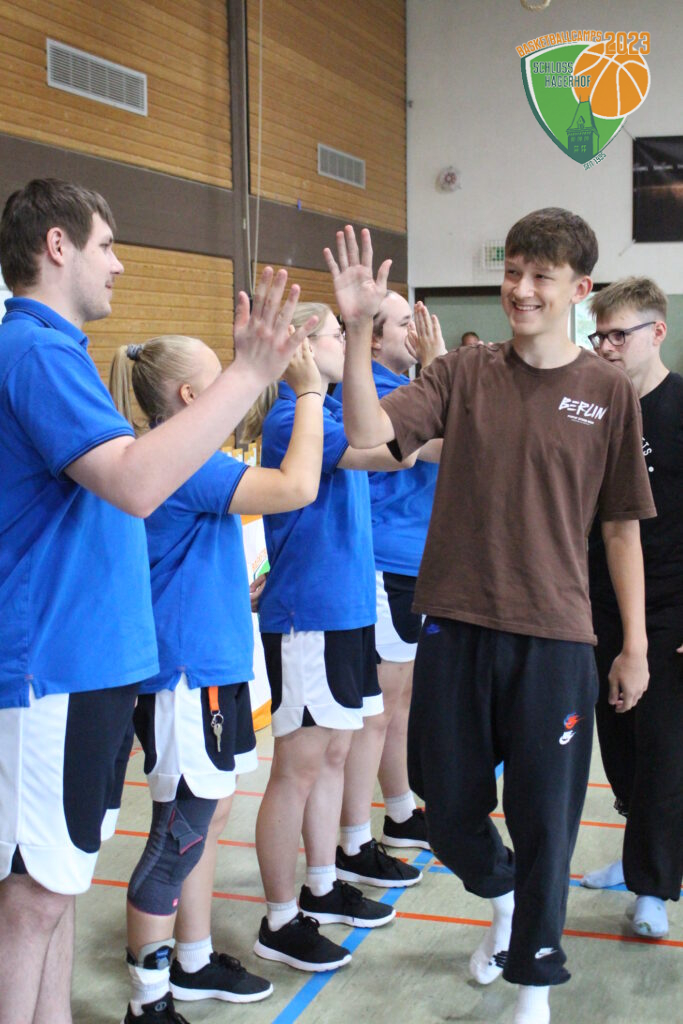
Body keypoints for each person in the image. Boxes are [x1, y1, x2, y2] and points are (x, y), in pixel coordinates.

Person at [326, 213, 654, 1024]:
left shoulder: (606, 391)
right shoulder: (463, 373)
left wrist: (635, 645)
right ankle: (501, 895)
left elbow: (620, 528)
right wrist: (359, 329)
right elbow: (367, 434)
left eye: (541, 276)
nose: (521, 289)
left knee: (546, 820)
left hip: (555, 637)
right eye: (512, 271)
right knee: (443, 809)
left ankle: (533, 982)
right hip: (456, 623)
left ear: (578, 289)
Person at [0, 178, 312, 1024]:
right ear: (57, 245)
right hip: (51, 668)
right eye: (106, 245)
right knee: (31, 899)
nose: (119, 264)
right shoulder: (34, 350)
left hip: (89, 668)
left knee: (58, 887)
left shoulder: (55, 353)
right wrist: (249, 373)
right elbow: (137, 482)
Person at [108, 333, 324, 1023]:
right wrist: (309, 390)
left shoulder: (180, 456)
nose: (238, 379)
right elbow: (298, 486)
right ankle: (149, 1001)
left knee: (207, 815)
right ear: (190, 396)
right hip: (185, 674)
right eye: (222, 372)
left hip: (208, 667)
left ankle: (192, 961)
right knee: (178, 834)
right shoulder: (184, 459)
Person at [243, 303, 419, 973]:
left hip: (345, 612)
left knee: (336, 754)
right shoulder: (295, 416)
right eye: (337, 335)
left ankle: (320, 885)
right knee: (297, 768)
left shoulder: (330, 411)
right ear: (300, 348)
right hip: (308, 616)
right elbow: (391, 453)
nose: (349, 343)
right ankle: (279, 919)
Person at [581, 277, 683, 940]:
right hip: (600, 602)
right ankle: (636, 853)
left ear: (657, 332)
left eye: (620, 334)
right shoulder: (595, 410)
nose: (607, 347)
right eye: (600, 336)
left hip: (670, 605)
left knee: (663, 748)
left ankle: (652, 884)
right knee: (618, 742)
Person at [335, 292, 443, 864]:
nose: (417, 330)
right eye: (406, 323)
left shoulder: (409, 385)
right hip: (385, 563)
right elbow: (446, 445)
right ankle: (353, 838)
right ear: (373, 338)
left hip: (415, 564)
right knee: (374, 713)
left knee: (400, 705)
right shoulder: (372, 392)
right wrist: (442, 368)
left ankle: (399, 812)